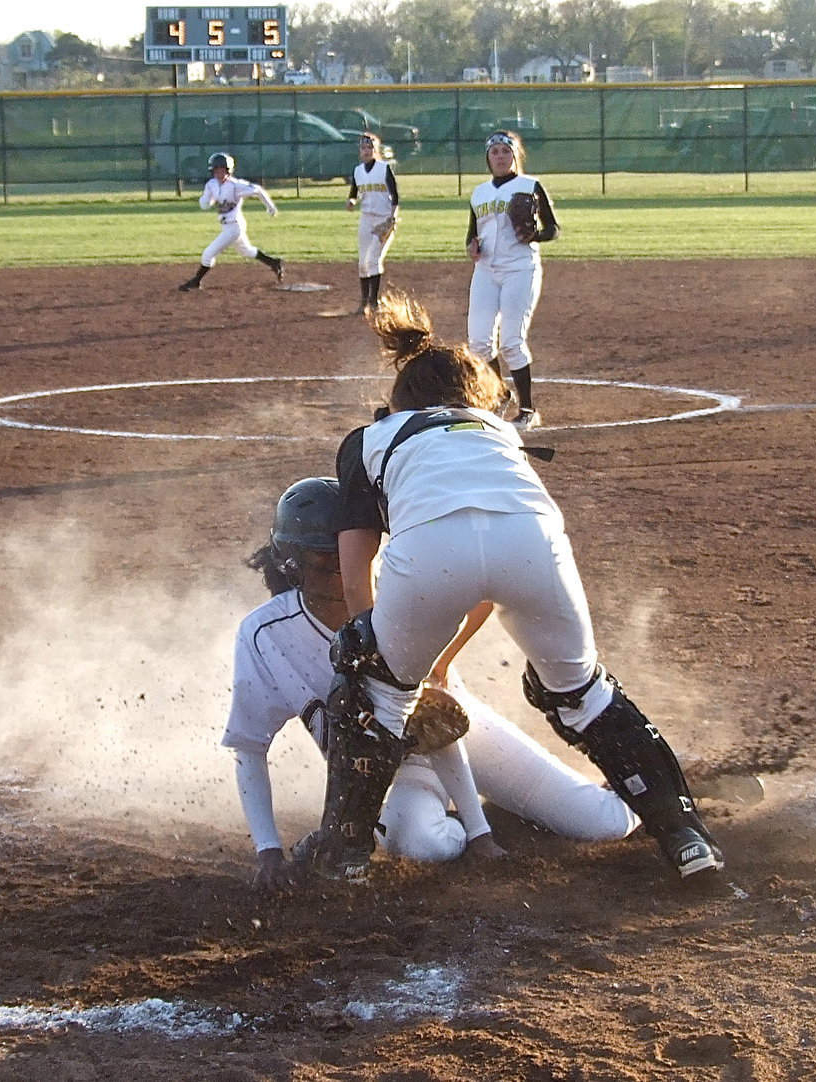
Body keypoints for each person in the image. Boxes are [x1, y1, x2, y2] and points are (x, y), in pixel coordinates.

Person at [302, 291, 724, 886]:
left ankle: (344, 857)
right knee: (583, 694)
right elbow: (486, 565)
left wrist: (366, 641)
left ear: (400, 398)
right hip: (535, 540)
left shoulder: (371, 437)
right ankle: (686, 838)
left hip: (432, 552)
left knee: (372, 694)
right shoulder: (497, 430)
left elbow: (358, 547)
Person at [222, 476, 639, 891]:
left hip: (464, 735)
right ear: (291, 560)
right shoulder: (264, 635)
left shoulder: (395, 596)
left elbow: (439, 723)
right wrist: (268, 852)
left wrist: (480, 834)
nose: (342, 562)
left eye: (349, 549)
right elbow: (249, 746)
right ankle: (451, 816)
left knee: (605, 823)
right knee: (422, 844)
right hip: (397, 774)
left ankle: (647, 779)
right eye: (326, 554)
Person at [466, 130, 559, 431]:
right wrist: (471, 246)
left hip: (520, 269)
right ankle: (499, 395)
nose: (500, 156)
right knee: (479, 343)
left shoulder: (529, 185)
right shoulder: (479, 193)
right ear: (488, 157)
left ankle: (528, 410)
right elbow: (472, 233)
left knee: (511, 342)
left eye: (506, 151)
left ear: (515, 155)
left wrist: (535, 235)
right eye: (494, 152)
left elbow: (553, 229)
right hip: (486, 271)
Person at [177, 152, 285, 292]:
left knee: (208, 254)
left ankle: (196, 281)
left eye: (222, 169)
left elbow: (258, 190)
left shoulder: (235, 185)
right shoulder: (211, 184)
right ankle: (274, 262)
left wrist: (270, 207)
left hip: (235, 226)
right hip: (226, 226)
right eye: (216, 169)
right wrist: (205, 201)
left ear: (229, 170)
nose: (219, 173)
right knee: (246, 251)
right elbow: (206, 202)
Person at [346, 132, 399, 314]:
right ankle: (364, 302)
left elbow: (395, 197)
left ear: (376, 150)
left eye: (370, 147)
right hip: (366, 219)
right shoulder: (358, 171)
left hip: (383, 219)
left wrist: (392, 218)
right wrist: (351, 201)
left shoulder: (384, 169)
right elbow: (354, 193)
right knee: (363, 262)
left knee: (374, 260)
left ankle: (374, 303)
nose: (366, 151)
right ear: (360, 151)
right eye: (363, 148)